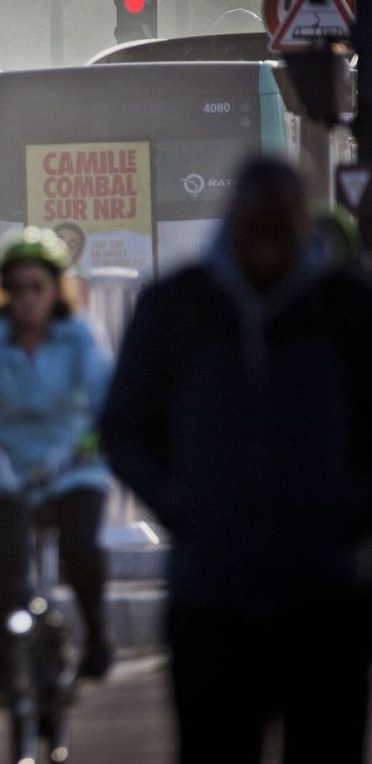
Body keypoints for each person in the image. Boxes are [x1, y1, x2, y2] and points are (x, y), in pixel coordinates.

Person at [100, 157, 372, 764]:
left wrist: (348, 515)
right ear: (235, 223)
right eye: (259, 231)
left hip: (323, 598)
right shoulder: (179, 309)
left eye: (282, 232)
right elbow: (123, 426)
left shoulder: (346, 311)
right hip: (212, 598)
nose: (269, 251)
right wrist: (182, 507)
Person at [0, 227, 115, 703]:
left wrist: (95, 435)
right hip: (11, 465)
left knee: (81, 547)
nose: (26, 299)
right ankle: (0, 673)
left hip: (73, 463)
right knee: (3, 567)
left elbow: (106, 395)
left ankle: (98, 639)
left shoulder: (80, 334)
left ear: (55, 289)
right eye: (15, 288)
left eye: (37, 287)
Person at [54, 221, 90, 308]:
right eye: (59, 241)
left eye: (71, 246)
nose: (64, 247)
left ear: (78, 254)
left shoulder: (82, 285)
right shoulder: (35, 278)